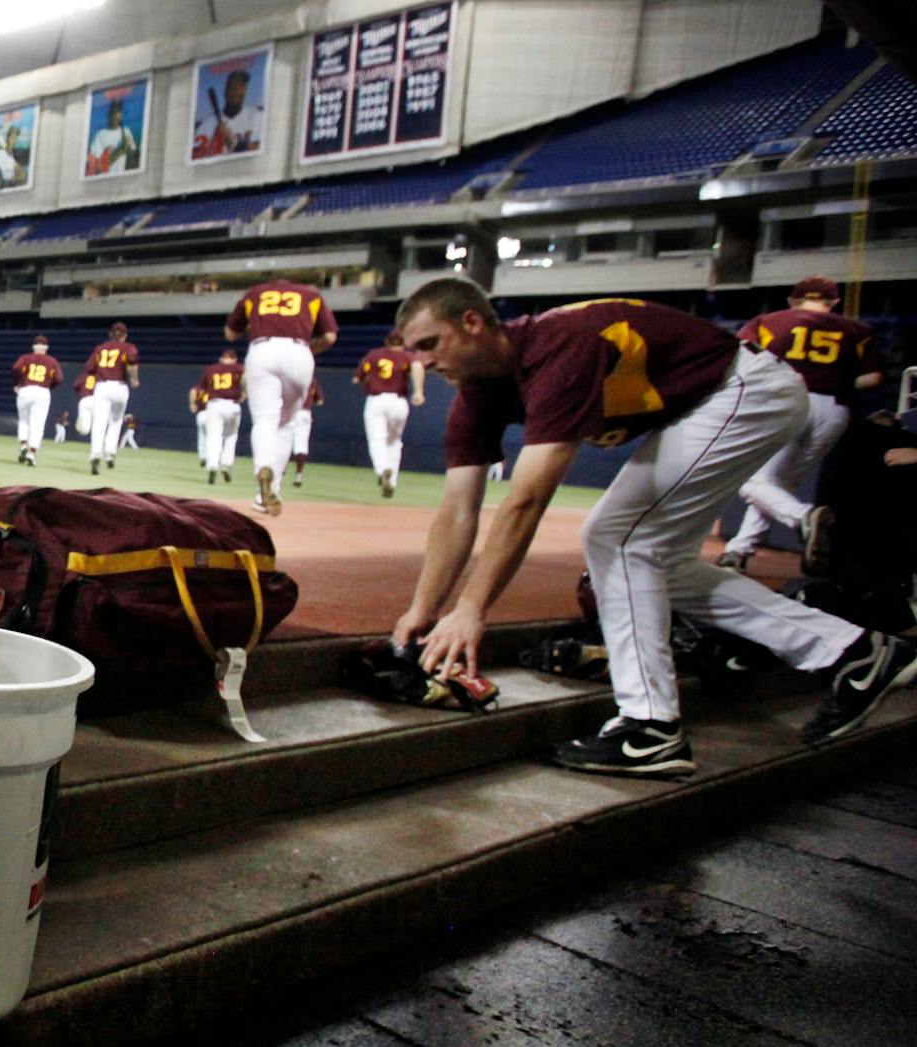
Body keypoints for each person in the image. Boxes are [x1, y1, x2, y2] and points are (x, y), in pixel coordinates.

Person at [389, 279, 911, 781]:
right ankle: (854, 650)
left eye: (429, 344)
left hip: (744, 389)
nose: (422, 361)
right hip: (717, 401)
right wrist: (425, 609)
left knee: (616, 537)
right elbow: (458, 511)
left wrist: (472, 610)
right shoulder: (478, 394)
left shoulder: (556, 349)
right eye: (414, 350)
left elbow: (525, 500)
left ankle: (650, 726)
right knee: (661, 563)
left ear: (473, 322)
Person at [717, 277, 880, 573]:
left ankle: (802, 516)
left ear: (793, 301)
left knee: (752, 481)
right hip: (833, 410)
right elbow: (874, 378)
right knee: (778, 484)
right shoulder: (859, 330)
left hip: (787, 402)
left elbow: (739, 358)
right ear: (833, 302)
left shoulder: (768, 321)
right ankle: (739, 551)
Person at [225, 276, 335, 516]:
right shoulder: (311, 294)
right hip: (298, 351)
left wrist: (250, 325)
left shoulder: (255, 292)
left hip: (262, 349)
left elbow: (230, 333)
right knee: (286, 425)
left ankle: (263, 466)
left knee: (265, 420)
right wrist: (309, 350)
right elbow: (329, 337)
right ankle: (270, 487)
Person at [354, 328, 425, 497]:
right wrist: (418, 391)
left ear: (387, 341)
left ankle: (382, 469)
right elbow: (417, 366)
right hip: (398, 401)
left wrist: (366, 384)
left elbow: (358, 378)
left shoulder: (374, 355)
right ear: (403, 343)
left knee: (377, 439)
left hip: (376, 400)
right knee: (394, 442)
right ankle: (392, 480)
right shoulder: (407, 356)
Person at [81, 322, 139, 474]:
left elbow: (90, 369)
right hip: (120, 387)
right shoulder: (128, 347)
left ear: (110, 334)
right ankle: (110, 453)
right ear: (125, 335)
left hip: (102, 386)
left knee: (99, 422)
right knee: (116, 420)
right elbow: (132, 362)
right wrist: (134, 379)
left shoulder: (100, 349)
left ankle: (95, 454)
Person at [192, 348, 245, 484]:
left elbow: (199, 388)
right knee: (230, 436)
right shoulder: (239, 368)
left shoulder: (211, 369)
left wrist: (193, 403)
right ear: (234, 359)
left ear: (221, 358)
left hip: (214, 404)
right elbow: (246, 382)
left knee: (213, 436)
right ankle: (226, 464)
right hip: (232, 404)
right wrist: (243, 395)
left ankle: (212, 465)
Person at [10, 335, 61, 466]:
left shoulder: (26, 358)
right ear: (46, 347)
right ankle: (32, 453)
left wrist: (17, 383)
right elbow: (58, 379)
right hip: (42, 391)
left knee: (24, 421)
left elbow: (16, 368)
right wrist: (50, 386)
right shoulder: (52, 361)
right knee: (38, 424)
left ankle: (23, 445)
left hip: (26, 389)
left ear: (33, 346)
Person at [196, 67, 263, 158]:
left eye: (242, 86)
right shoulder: (207, 124)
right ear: (225, 91)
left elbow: (261, 151)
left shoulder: (256, 116)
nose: (237, 91)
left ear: (245, 91)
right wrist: (215, 141)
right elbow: (196, 156)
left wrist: (234, 142)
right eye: (233, 87)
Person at [85, 99, 138, 176]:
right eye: (113, 112)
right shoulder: (100, 134)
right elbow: (99, 166)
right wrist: (121, 150)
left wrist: (127, 147)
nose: (115, 115)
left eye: (118, 112)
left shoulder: (126, 132)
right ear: (109, 114)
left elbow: (132, 156)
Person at [288, 378, 323, 486]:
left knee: (284, 441)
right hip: (305, 414)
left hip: (291, 411)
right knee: (301, 445)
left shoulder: (292, 376)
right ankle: (298, 476)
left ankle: (280, 471)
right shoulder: (313, 380)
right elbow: (320, 401)